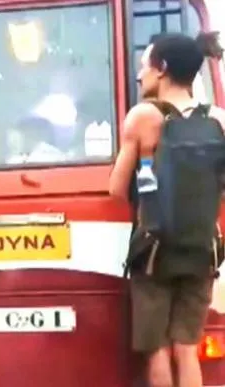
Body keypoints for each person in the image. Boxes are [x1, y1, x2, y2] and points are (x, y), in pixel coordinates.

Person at [109, 32, 225, 387]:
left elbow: (115, 188)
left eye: (144, 66)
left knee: (157, 349)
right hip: (202, 249)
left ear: (161, 70)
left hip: (154, 251)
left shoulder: (143, 117)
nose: (140, 74)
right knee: (187, 349)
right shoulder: (219, 120)